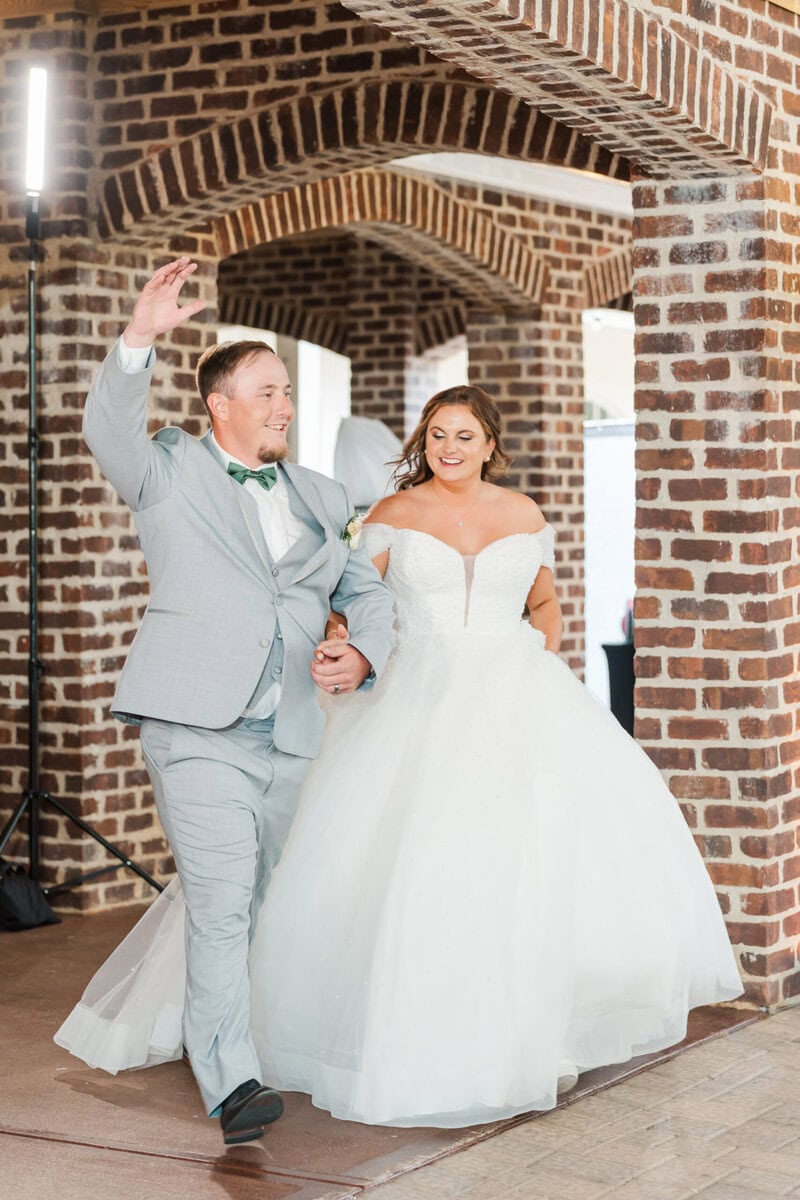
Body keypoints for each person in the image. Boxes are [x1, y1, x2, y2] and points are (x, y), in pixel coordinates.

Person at [58, 380, 743, 1130]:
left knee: (527, 861)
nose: (449, 448)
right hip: (415, 693)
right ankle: (334, 1035)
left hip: (519, 697)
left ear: (489, 445)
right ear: (424, 441)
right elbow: (355, 602)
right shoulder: (391, 514)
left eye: (465, 436)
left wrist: (536, 662)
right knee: (409, 860)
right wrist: (348, 645)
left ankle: (529, 1029)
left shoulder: (523, 513)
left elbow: (544, 605)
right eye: (438, 434)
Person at [57, 258, 395, 1145]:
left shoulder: (322, 495)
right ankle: (232, 1080)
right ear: (220, 405)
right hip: (195, 725)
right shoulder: (167, 469)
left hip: (293, 730)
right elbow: (107, 429)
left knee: (260, 900)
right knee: (220, 899)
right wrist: (139, 337)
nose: (284, 406)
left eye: (287, 391)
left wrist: (363, 650)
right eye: (267, 392)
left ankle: (219, 1029)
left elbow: (365, 592)